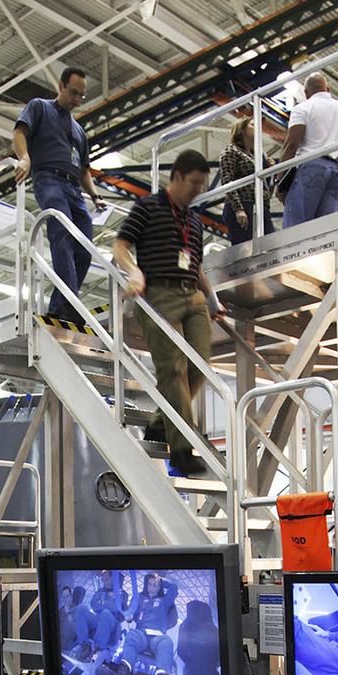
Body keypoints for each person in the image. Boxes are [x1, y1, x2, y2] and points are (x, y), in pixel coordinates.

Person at [113, 148, 227, 478]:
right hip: (158, 295)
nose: (197, 190)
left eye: (202, 184)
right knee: (172, 369)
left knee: (200, 365)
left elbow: (197, 264)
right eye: (193, 183)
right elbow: (120, 245)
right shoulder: (148, 207)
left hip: (192, 296)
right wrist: (134, 271)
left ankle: (160, 422)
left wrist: (213, 297)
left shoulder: (193, 219)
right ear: (176, 177)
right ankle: (181, 450)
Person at [12, 66, 104, 324]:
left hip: (75, 188)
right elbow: (20, 133)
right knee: (61, 235)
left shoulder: (79, 130)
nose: (76, 99)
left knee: (85, 248)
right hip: (48, 179)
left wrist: (95, 196)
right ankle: (71, 302)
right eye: (73, 92)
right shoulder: (40, 107)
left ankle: (60, 306)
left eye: (81, 96)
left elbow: (84, 169)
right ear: (61, 86)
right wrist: (25, 158)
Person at [278, 72, 338, 227]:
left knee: (296, 228)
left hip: (311, 168)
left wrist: (280, 181)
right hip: (336, 173)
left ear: (306, 93)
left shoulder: (303, 108)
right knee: (326, 232)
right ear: (328, 89)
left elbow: (291, 145)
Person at [100, 573, 178, 675]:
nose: (152, 588)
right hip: (141, 633)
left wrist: (161, 581)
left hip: (158, 636)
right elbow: (132, 617)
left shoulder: (164, 601)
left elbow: (174, 588)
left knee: (167, 642)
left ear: (159, 587)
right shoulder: (140, 598)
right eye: (150, 584)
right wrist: (128, 616)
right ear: (146, 585)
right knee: (131, 635)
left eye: (155, 585)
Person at [218, 117, 275, 245]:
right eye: (252, 125)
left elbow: (268, 184)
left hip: (260, 206)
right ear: (242, 130)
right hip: (243, 203)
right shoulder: (231, 151)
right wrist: (238, 209)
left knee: (270, 245)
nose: (257, 128)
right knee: (244, 248)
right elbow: (227, 180)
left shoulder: (258, 156)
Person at [74, 569, 126, 659]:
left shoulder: (121, 593)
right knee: (80, 608)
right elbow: (93, 604)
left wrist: (102, 603)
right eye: (103, 580)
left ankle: (97, 648)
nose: (104, 583)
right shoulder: (100, 591)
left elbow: (115, 607)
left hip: (113, 622)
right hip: (99, 618)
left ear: (113, 579)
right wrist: (106, 603)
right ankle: (85, 645)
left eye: (107, 580)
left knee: (106, 613)